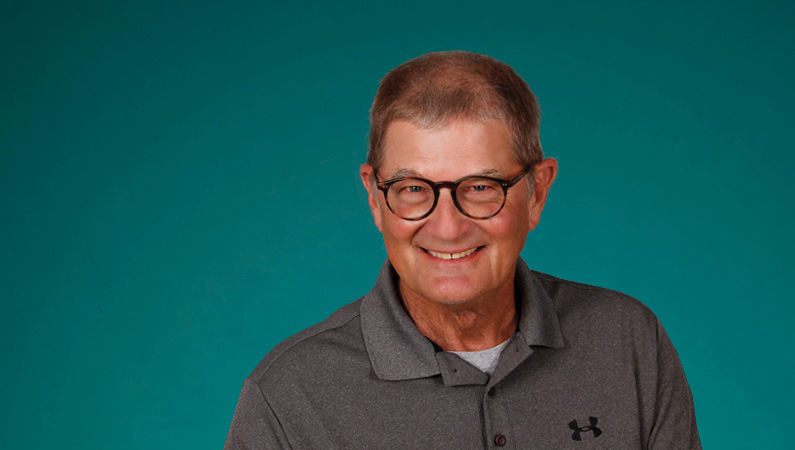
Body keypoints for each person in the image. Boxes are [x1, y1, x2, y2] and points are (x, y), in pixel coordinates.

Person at [224, 51, 700, 449]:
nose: (447, 227)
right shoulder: (287, 397)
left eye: (479, 186)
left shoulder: (629, 342)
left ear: (537, 192)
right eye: (413, 188)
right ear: (375, 198)